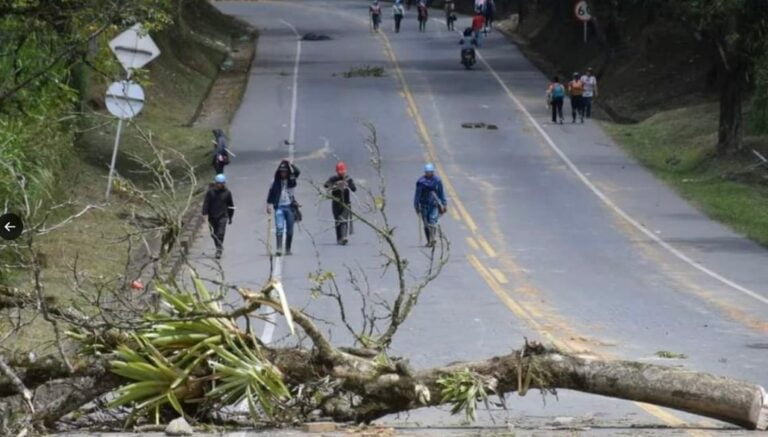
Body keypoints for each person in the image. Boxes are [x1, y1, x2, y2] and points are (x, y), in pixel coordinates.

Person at [266, 160, 300, 256]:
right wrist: (268, 204)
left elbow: (298, 172)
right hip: (279, 207)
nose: (283, 173)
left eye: (285, 171)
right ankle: (279, 248)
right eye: (281, 171)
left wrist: (290, 164)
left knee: (290, 230)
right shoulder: (275, 181)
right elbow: (271, 193)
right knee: (279, 228)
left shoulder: (291, 180)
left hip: (289, 207)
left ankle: (288, 248)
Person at [202, 174, 235, 259]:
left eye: (222, 183)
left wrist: (230, 217)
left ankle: (219, 249)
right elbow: (206, 203)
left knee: (220, 233)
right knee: (213, 234)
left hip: (223, 216)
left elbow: (231, 205)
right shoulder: (210, 192)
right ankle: (218, 245)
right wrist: (204, 214)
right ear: (215, 183)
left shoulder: (227, 193)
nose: (220, 185)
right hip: (212, 216)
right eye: (218, 183)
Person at [324, 161, 357, 245]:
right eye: (339, 171)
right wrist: (335, 185)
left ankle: (344, 237)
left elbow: (354, 189)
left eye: (342, 171)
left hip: (346, 203)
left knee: (343, 220)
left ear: (345, 170)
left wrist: (347, 185)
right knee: (337, 220)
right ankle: (339, 238)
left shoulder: (348, 179)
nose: (341, 173)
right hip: (336, 203)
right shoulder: (333, 179)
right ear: (337, 171)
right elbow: (326, 185)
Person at [414, 163, 447, 248]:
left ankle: (433, 239)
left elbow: (441, 193)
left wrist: (444, 204)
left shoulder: (437, 181)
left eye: (430, 172)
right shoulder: (421, 182)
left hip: (434, 204)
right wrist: (416, 205)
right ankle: (429, 240)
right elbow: (417, 194)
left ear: (433, 172)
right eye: (427, 172)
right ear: (425, 172)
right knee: (426, 223)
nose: (429, 174)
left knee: (432, 221)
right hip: (424, 205)